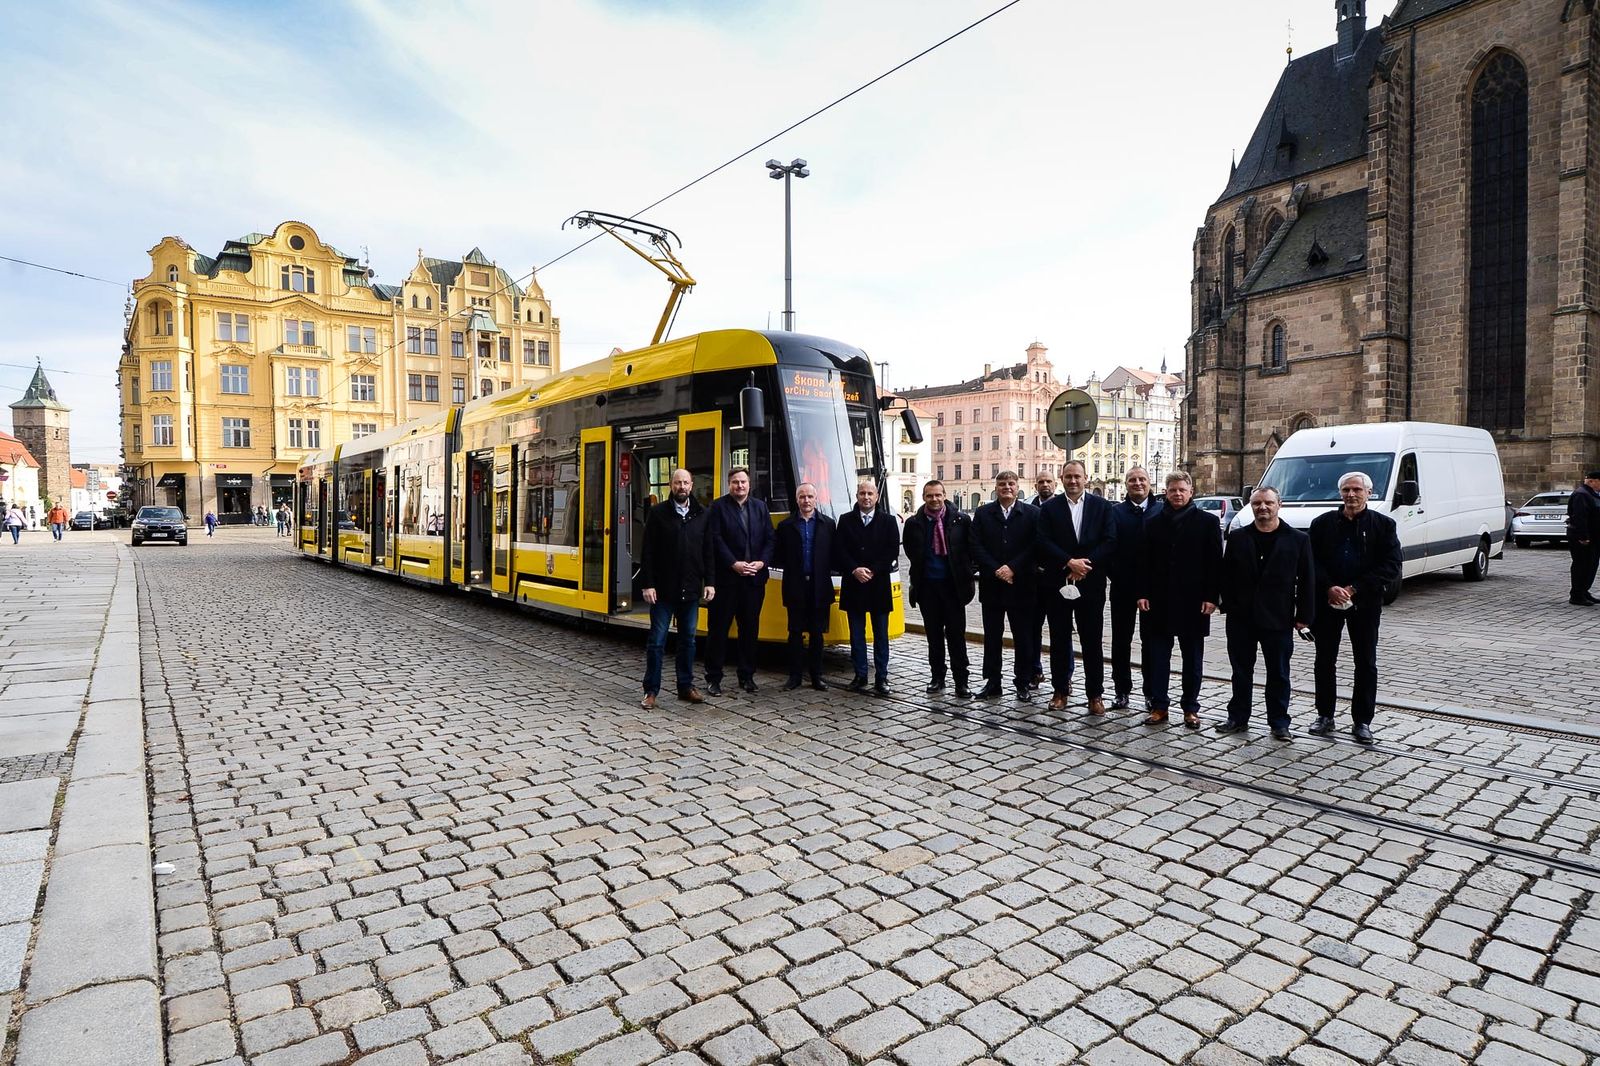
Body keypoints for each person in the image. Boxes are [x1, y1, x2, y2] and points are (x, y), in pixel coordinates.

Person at [1307, 471, 1403, 744]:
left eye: (1357, 490)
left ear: (1368, 493)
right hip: (1327, 601)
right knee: (1324, 660)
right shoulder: (1322, 523)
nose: (1351, 495)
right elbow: (1311, 561)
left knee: (1366, 662)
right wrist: (1329, 587)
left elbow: (1391, 565)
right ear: (1340, 493)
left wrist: (1353, 588)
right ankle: (1324, 715)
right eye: (1347, 490)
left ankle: (1362, 721)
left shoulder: (1383, 525)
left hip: (1365, 603)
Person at [1217, 488, 1316, 740]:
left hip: (1278, 617)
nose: (1263, 507)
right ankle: (1238, 717)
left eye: (1268, 503)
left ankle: (1279, 722)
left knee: (1279, 673)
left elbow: (1307, 580)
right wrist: (1227, 604)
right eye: (1257, 503)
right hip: (1241, 618)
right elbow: (1226, 574)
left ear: (1278, 505)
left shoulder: (1297, 539)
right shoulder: (1238, 537)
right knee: (1240, 672)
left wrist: (1304, 615)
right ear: (1251, 506)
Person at [1137, 471, 1221, 729]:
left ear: (1190, 491)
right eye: (1172, 490)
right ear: (1166, 491)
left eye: (1182, 490)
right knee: (1158, 657)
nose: (1177, 494)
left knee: (1192, 658)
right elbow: (1143, 561)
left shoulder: (1207, 522)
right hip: (1159, 600)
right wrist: (1142, 592)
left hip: (1194, 601)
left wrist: (1212, 597)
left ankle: (1191, 708)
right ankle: (1159, 706)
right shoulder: (1152, 521)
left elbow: (1215, 563)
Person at [1036, 460, 1119, 714]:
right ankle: (1060, 690)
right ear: (1062, 479)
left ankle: (1095, 695)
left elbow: (1110, 540)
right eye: (1068, 477)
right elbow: (1042, 541)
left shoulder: (1102, 506)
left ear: (1086, 478)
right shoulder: (1050, 508)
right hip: (1058, 582)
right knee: (1060, 640)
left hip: (1090, 583)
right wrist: (1068, 562)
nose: (1073, 481)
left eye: (1077, 477)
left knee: (1092, 641)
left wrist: (1084, 566)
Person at [639, 468, 714, 709]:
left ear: (692, 486)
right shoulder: (658, 513)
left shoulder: (702, 513)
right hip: (662, 589)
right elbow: (647, 551)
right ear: (671, 485)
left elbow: (708, 551)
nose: (682, 487)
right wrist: (648, 584)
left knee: (688, 641)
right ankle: (651, 691)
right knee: (657, 642)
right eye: (677, 483)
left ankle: (686, 687)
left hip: (691, 589)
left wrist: (710, 582)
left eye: (686, 483)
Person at [903, 480, 975, 699]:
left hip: (953, 588)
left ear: (945, 496)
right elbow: (910, 550)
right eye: (929, 496)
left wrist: (966, 572)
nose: (934, 499)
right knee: (933, 637)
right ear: (924, 498)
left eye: (937, 495)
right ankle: (937, 677)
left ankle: (961, 681)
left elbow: (970, 549)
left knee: (956, 636)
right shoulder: (914, 523)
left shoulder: (961, 520)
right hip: (927, 587)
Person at [971, 471, 1039, 700]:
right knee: (992, 637)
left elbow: (1035, 546)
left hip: (1022, 585)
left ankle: (1023, 682)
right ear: (996, 487)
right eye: (1002, 484)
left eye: (1011, 483)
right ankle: (993, 682)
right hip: (992, 585)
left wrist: (1013, 568)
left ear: (1018, 486)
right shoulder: (982, 513)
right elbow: (976, 545)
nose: (1006, 487)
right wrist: (997, 570)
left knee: (1023, 637)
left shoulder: (1032, 514)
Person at [705, 467, 773, 695]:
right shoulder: (717, 507)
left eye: (743, 482)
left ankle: (747, 676)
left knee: (750, 630)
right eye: (735, 482)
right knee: (718, 631)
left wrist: (762, 562)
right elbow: (715, 539)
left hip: (753, 581)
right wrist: (733, 563)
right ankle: (714, 678)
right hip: (727, 581)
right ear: (729, 484)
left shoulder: (760, 507)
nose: (740, 486)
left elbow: (770, 540)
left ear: (749, 484)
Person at [835, 479, 899, 695]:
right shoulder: (845, 520)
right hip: (854, 585)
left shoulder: (889, 521)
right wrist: (854, 569)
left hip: (878, 584)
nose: (866, 497)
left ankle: (881, 677)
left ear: (877, 497)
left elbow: (891, 551)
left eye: (870, 493)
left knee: (881, 634)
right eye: (862, 493)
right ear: (857, 496)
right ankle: (860, 675)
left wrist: (872, 570)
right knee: (856, 635)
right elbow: (839, 550)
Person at [1109, 468, 1164, 709]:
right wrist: (1119, 576)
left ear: (1150, 483)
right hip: (1123, 587)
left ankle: (1151, 692)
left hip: (1154, 590)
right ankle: (1121, 690)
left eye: (1142, 479)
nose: (1138, 483)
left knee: (1150, 641)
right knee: (1121, 641)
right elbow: (1109, 548)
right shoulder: (1115, 512)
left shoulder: (1162, 510)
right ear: (1126, 484)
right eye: (1132, 480)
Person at [774, 483, 835, 690]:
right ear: (797, 499)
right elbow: (778, 556)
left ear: (815, 499)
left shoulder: (828, 524)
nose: (806, 500)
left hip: (820, 586)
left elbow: (833, 555)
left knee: (817, 634)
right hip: (795, 585)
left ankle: (816, 676)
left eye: (810, 496)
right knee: (795, 632)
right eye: (802, 497)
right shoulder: (785, 526)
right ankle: (795, 676)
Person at [1026, 471, 1059, 685]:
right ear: (1035, 485)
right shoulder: (1028, 509)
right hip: (1032, 579)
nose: (1045, 485)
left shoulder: (1063, 508)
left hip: (1056, 577)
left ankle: (1063, 677)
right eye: (1041, 482)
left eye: (1048, 481)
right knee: (1032, 629)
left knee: (1060, 631)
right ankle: (1034, 671)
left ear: (1055, 484)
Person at [1566, 469, 1600, 606]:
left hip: (1594, 536)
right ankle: (1577, 595)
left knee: (1591, 565)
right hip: (1583, 538)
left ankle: (1584, 591)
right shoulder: (1582, 494)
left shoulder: (1591, 494)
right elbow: (1579, 517)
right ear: (1592, 481)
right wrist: (1583, 536)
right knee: (1582, 565)